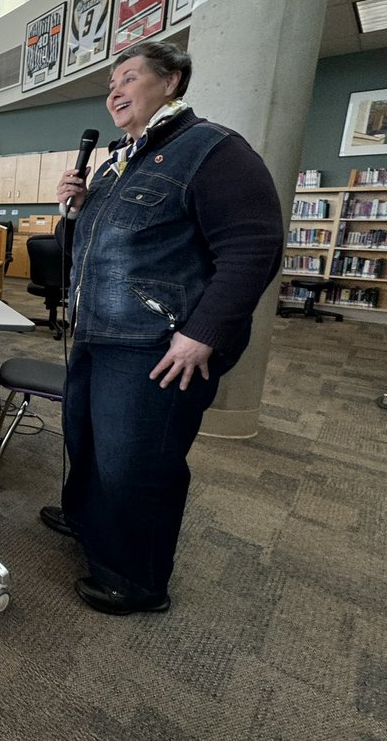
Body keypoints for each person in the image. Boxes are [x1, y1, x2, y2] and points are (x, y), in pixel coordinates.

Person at [48, 40, 282, 615]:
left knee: (137, 459)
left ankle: (136, 579)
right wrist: (73, 213)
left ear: (172, 81)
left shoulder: (212, 149)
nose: (115, 91)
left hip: (158, 343)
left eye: (128, 77)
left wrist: (204, 331)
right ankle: (88, 523)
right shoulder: (115, 164)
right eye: (110, 84)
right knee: (89, 440)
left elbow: (254, 246)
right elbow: (82, 253)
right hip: (98, 331)